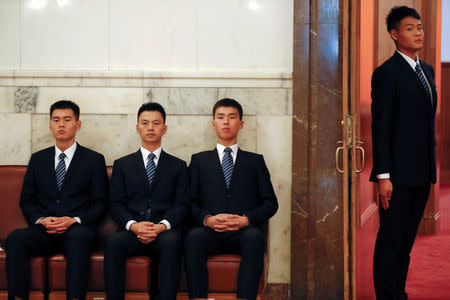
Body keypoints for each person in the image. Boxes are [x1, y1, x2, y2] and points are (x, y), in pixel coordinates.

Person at [6, 100, 108, 300]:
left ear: (78, 124)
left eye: (67, 119)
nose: (61, 124)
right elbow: (26, 201)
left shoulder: (94, 160)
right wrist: (40, 220)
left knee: (79, 239)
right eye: (56, 120)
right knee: (16, 238)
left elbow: (100, 203)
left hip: (77, 230)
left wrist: (74, 220)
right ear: (50, 125)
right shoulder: (38, 159)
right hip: (45, 230)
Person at [370, 6, 437, 300]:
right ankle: (388, 294)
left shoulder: (427, 70)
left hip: (421, 171)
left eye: (420, 27)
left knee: (406, 241)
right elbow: (380, 126)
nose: (418, 32)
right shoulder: (386, 73)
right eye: (410, 28)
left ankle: (398, 292)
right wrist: (384, 175)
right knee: (390, 241)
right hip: (396, 175)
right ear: (394, 35)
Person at [184, 98, 278, 300]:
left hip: (242, 231)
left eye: (232, 117)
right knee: (193, 238)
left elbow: (271, 203)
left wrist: (245, 219)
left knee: (255, 237)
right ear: (213, 123)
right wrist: (207, 219)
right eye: (220, 117)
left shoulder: (255, 161)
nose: (226, 122)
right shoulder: (199, 161)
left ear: (241, 124)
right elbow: (188, 202)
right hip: (210, 230)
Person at [105, 102, 189, 300]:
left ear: (164, 128)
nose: (150, 128)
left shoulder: (178, 166)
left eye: (156, 123)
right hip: (133, 230)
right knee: (114, 243)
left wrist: (161, 226)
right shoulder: (122, 165)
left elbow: (182, 205)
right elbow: (116, 204)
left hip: (164, 231)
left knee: (172, 242)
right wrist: (134, 226)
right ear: (137, 128)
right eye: (145, 123)